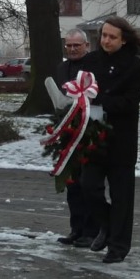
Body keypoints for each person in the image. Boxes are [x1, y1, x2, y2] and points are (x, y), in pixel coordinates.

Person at [79, 17, 140, 264]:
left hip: (121, 139)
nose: (106, 41)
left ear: (123, 39)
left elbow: (130, 102)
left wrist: (100, 101)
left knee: (122, 196)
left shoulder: (136, 66)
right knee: (89, 187)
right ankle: (106, 225)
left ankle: (118, 246)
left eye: (112, 37)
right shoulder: (90, 61)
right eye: (104, 36)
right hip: (93, 137)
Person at [53, 29, 94, 247]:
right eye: (68, 45)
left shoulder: (94, 67)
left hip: (90, 131)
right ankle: (76, 229)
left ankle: (91, 230)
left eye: (76, 45)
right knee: (72, 185)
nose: (72, 49)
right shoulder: (62, 68)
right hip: (68, 132)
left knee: (88, 184)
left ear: (86, 45)